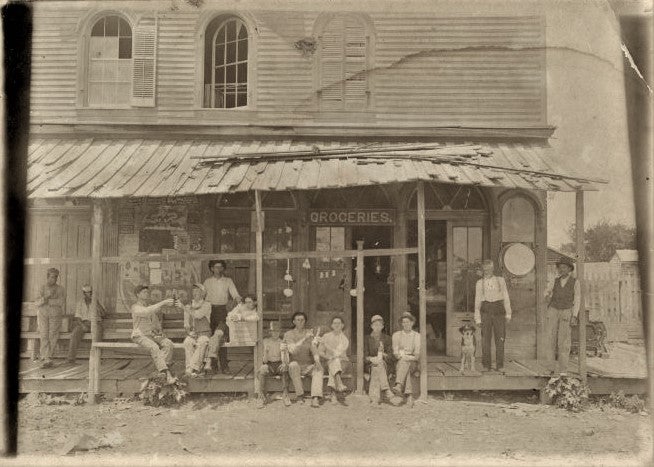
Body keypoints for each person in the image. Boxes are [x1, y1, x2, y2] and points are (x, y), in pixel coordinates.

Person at [131, 285, 177, 384]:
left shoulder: (149, 308)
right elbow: (146, 312)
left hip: (150, 336)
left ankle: (161, 372)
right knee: (154, 347)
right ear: (137, 295)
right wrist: (164, 302)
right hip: (139, 336)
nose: (146, 294)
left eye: (147, 292)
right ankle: (167, 374)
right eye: (143, 292)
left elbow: (156, 324)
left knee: (168, 343)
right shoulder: (135, 307)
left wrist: (160, 332)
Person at [203, 259, 242, 374]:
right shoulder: (207, 282)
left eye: (220, 267)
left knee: (221, 335)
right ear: (211, 268)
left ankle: (224, 366)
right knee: (211, 337)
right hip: (209, 311)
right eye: (216, 267)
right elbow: (202, 296)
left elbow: (235, 295)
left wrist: (239, 303)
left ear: (223, 269)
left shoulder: (228, 281)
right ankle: (213, 366)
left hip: (222, 311)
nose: (218, 269)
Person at [474, 259, 512, 373]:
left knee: (500, 339)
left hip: (498, 310)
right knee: (485, 339)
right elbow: (477, 301)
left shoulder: (500, 280)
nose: (487, 271)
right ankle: (486, 365)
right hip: (486, 310)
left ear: (493, 269)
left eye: (489, 269)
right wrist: (477, 317)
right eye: (485, 269)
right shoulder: (479, 283)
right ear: (482, 270)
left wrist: (508, 313)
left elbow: (506, 297)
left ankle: (500, 365)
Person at [544, 258, 581, 376]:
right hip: (553, 310)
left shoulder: (575, 282)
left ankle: (563, 369)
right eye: (560, 267)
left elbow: (577, 299)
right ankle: (550, 367)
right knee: (550, 338)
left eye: (564, 267)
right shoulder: (554, 280)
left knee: (564, 340)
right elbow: (547, 292)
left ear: (569, 269)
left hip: (566, 311)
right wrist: (547, 295)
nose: (561, 269)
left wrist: (574, 315)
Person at [282, 312, 324, 408]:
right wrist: (305, 338)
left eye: (303, 320)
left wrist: (317, 361)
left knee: (319, 368)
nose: (301, 322)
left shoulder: (309, 333)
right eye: (298, 320)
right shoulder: (289, 334)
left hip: (308, 365)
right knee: (293, 365)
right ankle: (300, 395)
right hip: (295, 365)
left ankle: (315, 397)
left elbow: (314, 349)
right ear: (294, 322)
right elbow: (292, 350)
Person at [35, 268, 66, 368]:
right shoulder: (41, 287)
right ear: (48, 276)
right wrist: (45, 298)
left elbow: (61, 302)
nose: (54, 279)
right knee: (44, 334)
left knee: (53, 335)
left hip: (55, 315)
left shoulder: (61, 289)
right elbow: (37, 302)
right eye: (52, 277)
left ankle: (49, 358)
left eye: (56, 277)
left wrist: (48, 301)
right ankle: (45, 358)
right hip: (43, 314)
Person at [66, 284, 105, 365]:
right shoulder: (80, 303)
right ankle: (71, 359)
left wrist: (97, 303)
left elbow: (104, 314)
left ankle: (97, 358)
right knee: (74, 334)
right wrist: (82, 325)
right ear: (83, 293)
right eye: (86, 292)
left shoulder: (96, 301)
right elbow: (78, 317)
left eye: (90, 292)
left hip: (96, 323)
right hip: (84, 323)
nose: (89, 294)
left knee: (97, 334)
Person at [256, 321, 290, 408]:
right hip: (269, 364)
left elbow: (285, 360)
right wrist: (266, 352)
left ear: (280, 332)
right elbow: (265, 361)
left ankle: (285, 395)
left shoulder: (282, 342)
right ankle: (261, 397)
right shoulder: (265, 341)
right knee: (262, 369)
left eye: (277, 331)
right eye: (273, 331)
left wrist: (284, 353)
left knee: (285, 368)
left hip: (279, 364)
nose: (275, 333)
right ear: (270, 332)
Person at [316, 316, 350, 403]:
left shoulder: (344, 339)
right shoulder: (326, 336)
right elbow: (320, 352)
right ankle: (339, 384)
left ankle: (333, 393)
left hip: (343, 363)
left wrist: (325, 344)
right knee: (333, 362)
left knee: (335, 361)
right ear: (331, 325)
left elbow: (337, 353)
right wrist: (328, 357)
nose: (337, 325)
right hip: (329, 362)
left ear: (342, 325)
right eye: (335, 323)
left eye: (339, 323)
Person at [364, 314, 396, 405]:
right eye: (375, 325)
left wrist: (383, 354)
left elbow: (392, 357)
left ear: (382, 326)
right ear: (371, 326)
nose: (377, 327)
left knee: (378, 365)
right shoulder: (366, 339)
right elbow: (364, 356)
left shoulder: (387, 339)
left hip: (384, 365)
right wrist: (371, 359)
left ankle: (374, 399)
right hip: (370, 365)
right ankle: (386, 389)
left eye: (379, 325)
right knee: (376, 366)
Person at [183, 284, 212, 377]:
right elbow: (186, 324)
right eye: (194, 291)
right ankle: (192, 370)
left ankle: (191, 369)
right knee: (187, 342)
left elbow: (198, 315)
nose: (195, 293)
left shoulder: (207, 305)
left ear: (203, 294)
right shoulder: (188, 306)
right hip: (193, 333)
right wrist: (189, 332)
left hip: (204, 332)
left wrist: (185, 308)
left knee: (202, 342)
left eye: (198, 291)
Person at [392, 312, 420, 406]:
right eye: (403, 322)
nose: (406, 324)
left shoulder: (417, 336)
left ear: (412, 323)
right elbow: (395, 353)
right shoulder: (396, 335)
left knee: (406, 363)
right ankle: (409, 396)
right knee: (404, 365)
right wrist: (402, 357)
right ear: (401, 324)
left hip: (413, 362)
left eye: (408, 322)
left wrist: (406, 357)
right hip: (399, 361)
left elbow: (416, 356)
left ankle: (399, 385)